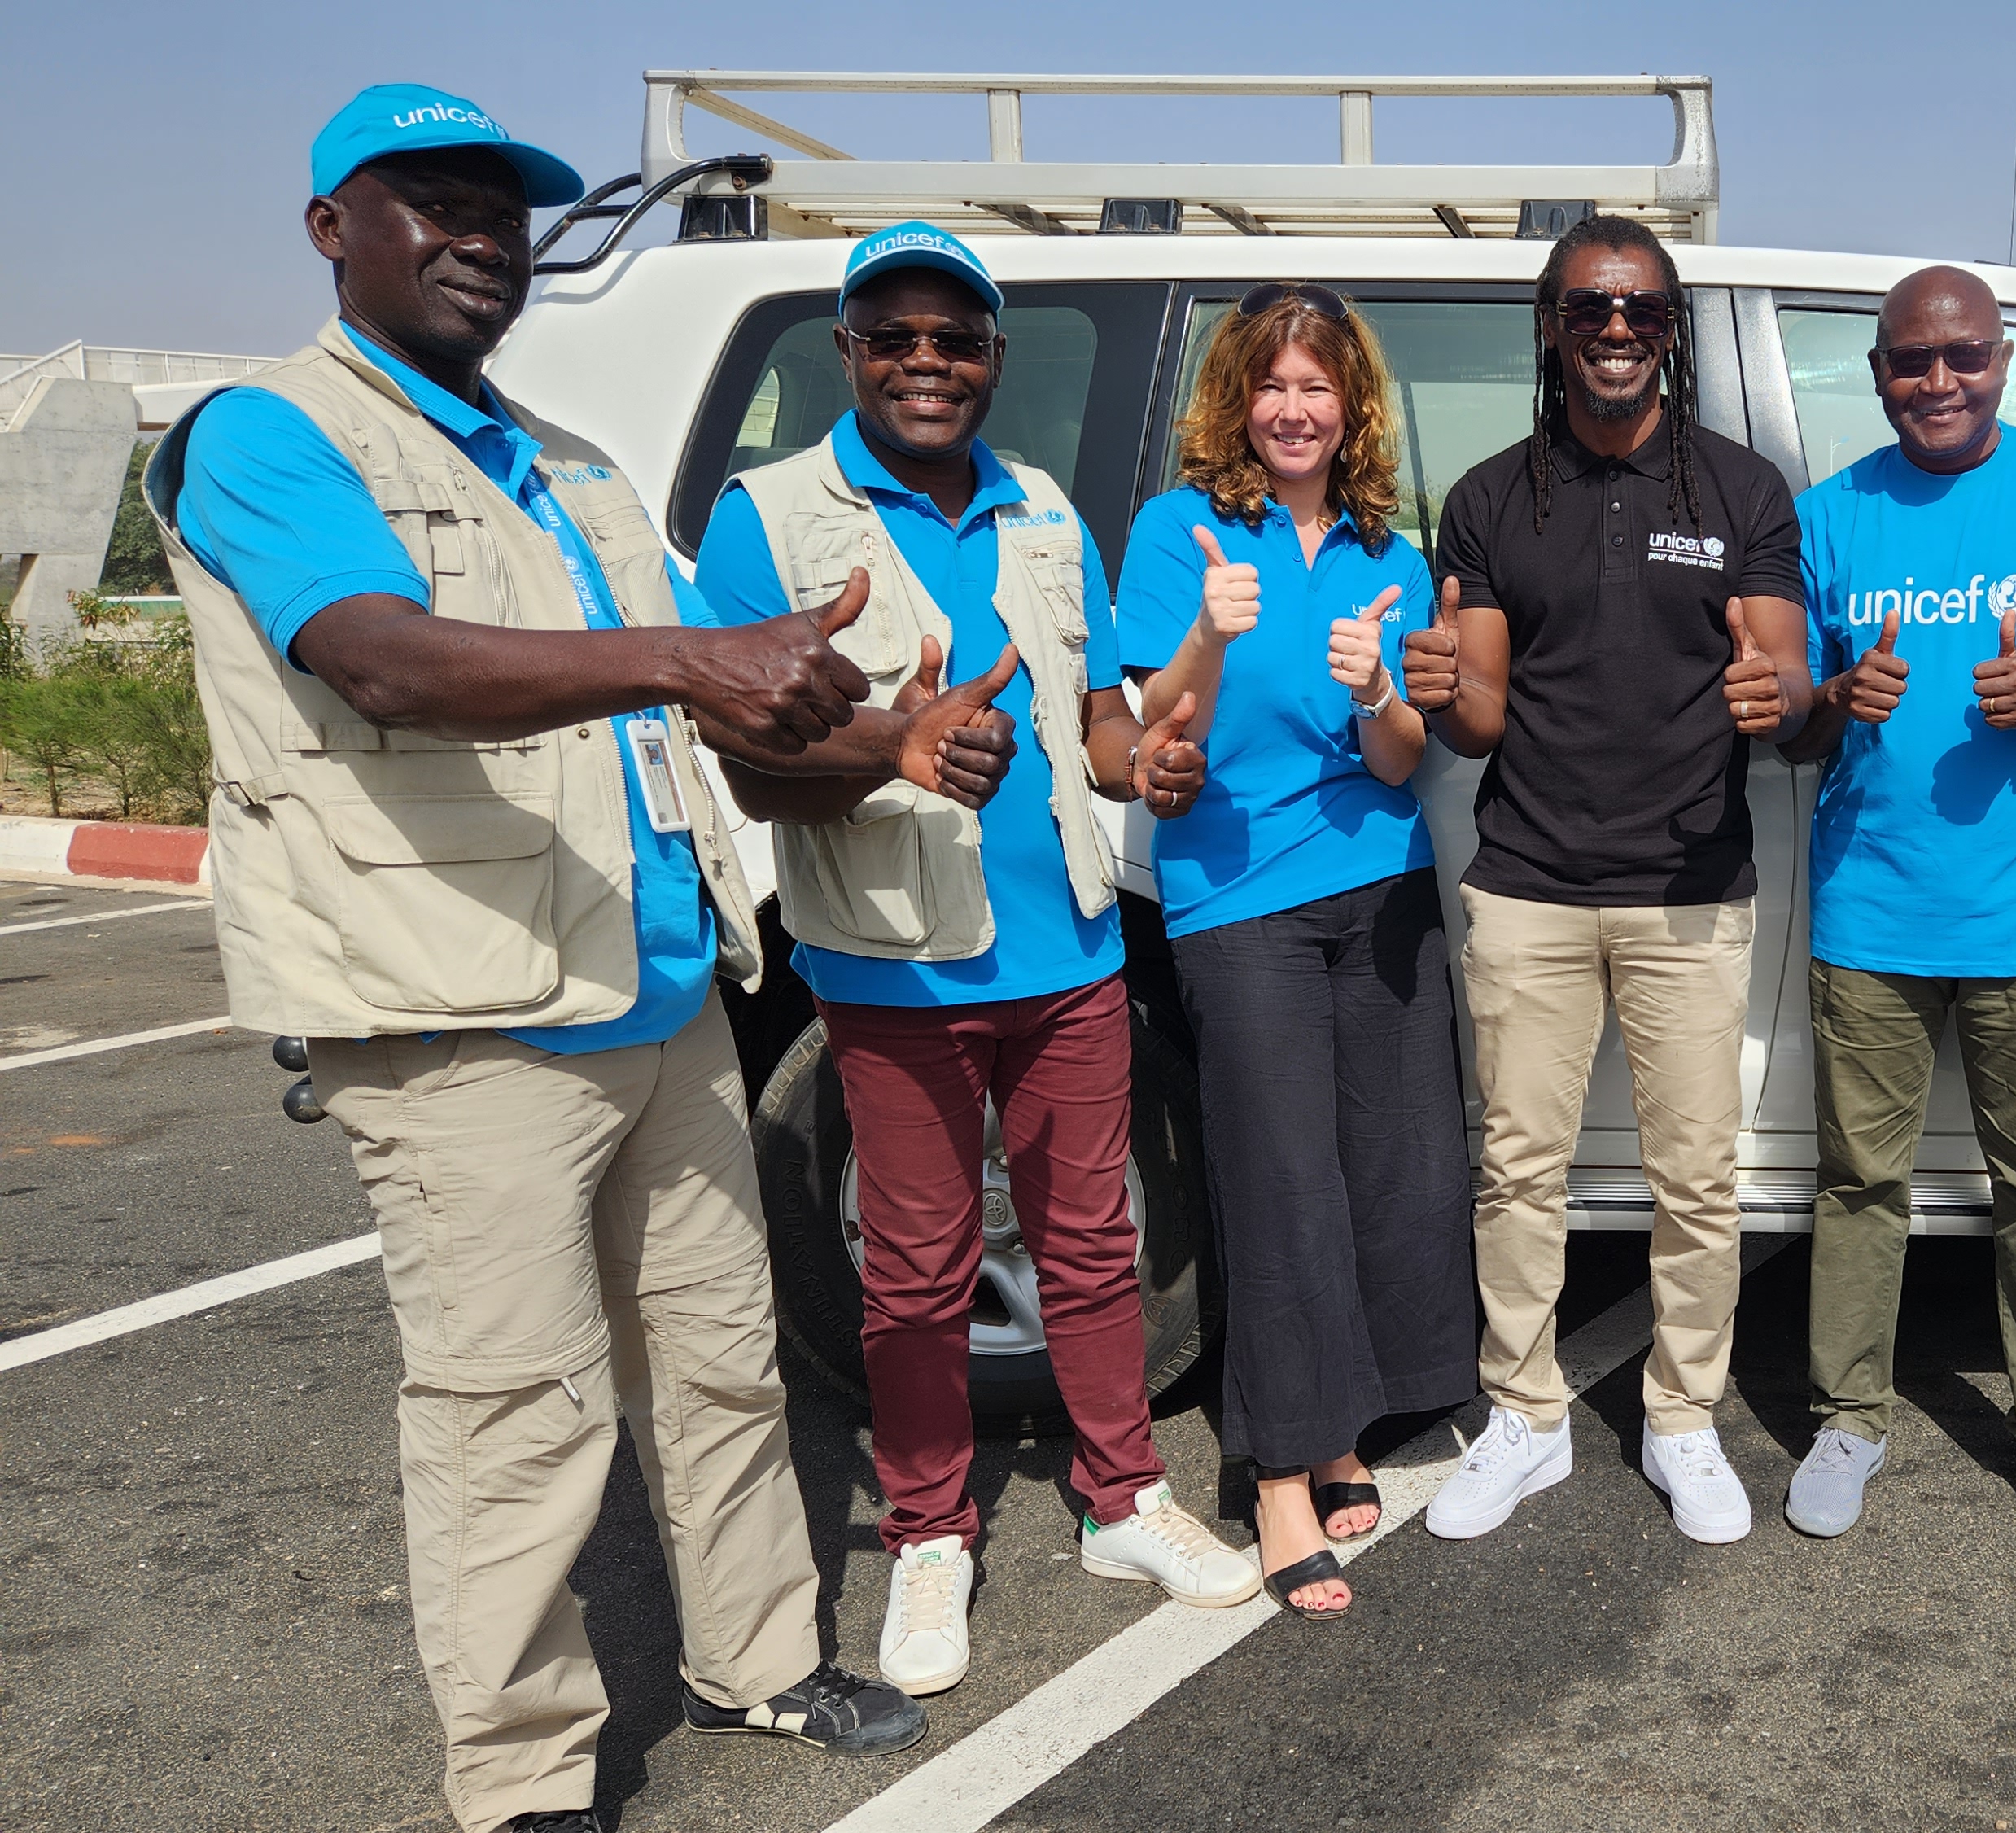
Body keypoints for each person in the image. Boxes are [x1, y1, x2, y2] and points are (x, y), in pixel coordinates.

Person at [144, 87, 956, 1833]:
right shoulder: (270, 435)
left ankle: (757, 1661)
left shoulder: (569, 463)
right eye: (429, 204)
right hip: (462, 1015)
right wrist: (691, 654)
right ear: (330, 232)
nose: (479, 236)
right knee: (515, 1417)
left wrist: (861, 731)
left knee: (725, 1358)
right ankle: (518, 1777)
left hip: (659, 993)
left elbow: (705, 713)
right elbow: (387, 664)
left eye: (503, 210)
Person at [696, 223, 1257, 1692]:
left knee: (1091, 1247)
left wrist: (1154, 768)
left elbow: (1093, 724)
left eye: (956, 339)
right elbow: (753, 775)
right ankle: (930, 1533)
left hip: (1067, 951)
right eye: (895, 337)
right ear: (849, 353)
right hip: (895, 968)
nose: (927, 363)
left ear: (995, 359)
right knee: (919, 1270)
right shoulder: (772, 519)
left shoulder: (1048, 512)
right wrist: (898, 747)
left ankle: (1124, 1499)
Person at [1407, 215, 1811, 1546]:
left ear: (1672, 327)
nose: (1618, 329)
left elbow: (1789, 676)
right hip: (1527, 882)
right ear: (1552, 329)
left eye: (1641, 308)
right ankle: (1522, 1416)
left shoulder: (1743, 490)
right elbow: (1477, 723)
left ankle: (1682, 1419)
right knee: (1519, 1168)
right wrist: (1439, 684)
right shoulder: (1489, 494)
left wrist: (1777, 694)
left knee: (1698, 1177)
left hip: (1692, 884)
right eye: (1590, 309)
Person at [1773, 266, 2016, 1553]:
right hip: (1869, 908)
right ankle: (1849, 1417)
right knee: (1859, 1181)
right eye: (1910, 363)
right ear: (1877, 374)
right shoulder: (1829, 515)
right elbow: (1787, 729)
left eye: (1964, 358)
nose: (1938, 383)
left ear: (2003, 364)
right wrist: (1838, 697)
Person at [1112, 283, 1474, 1618]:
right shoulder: (1177, 532)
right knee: (1280, 1182)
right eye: (1272, 386)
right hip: (1237, 897)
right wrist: (1213, 625)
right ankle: (1274, 1475)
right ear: (1237, 402)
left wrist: (1381, 688)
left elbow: (1398, 757)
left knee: (1391, 1170)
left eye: (1317, 386)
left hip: (1379, 886)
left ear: (1350, 405)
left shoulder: (1387, 544)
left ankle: (1338, 1429)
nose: (1294, 409)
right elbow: (1160, 735)